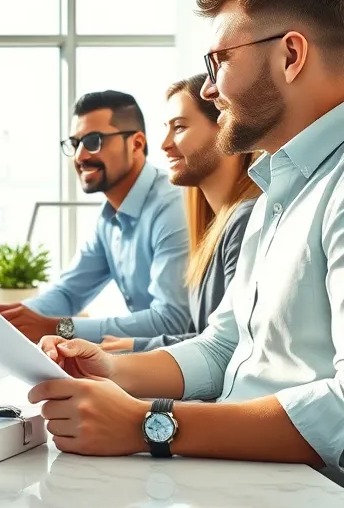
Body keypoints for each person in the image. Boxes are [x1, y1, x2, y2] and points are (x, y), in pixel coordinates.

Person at [30, 0, 344, 503]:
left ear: (291, 55)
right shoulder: (278, 187)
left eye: (219, 62)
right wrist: (116, 374)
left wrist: (150, 423)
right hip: (253, 496)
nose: (211, 89)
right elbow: (224, 348)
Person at [0, 90, 190, 344]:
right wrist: (0, 316)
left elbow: (171, 321)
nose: (80, 156)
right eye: (75, 144)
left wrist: (59, 328)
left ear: (136, 144)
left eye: (94, 141)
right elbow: (68, 294)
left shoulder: (172, 207)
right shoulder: (108, 218)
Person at [100, 74, 259, 353]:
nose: (163, 144)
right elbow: (203, 336)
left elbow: (231, 348)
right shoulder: (213, 227)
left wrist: (134, 349)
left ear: (225, 127)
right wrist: (129, 347)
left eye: (180, 127)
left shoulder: (245, 220)